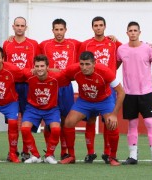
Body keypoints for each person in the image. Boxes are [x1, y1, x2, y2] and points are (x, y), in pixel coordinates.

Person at [60, 51, 125, 166]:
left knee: (112, 123)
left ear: (94, 63)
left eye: (87, 64)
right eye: (82, 64)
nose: (84, 67)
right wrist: (45, 71)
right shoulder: (74, 70)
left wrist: (114, 114)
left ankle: (113, 156)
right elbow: (59, 75)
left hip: (104, 101)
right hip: (85, 101)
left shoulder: (105, 71)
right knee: (68, 122)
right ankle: (71, 156)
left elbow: (121, 92)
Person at [117, 21, 152, 166]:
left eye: (135, 30)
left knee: (149, 122)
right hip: (129, 93)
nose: (132, 33)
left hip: (146, 92)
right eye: (130, 30)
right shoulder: (121, 50)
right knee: (132, 124)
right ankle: (132, 156)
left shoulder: (147, 49)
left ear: (139, 32)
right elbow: (113, 68)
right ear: (127, 33)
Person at [78, 16, 122, 164]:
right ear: (92, 27)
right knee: (90, 119)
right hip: (90, 86)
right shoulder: (85, 44)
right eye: (95, 25)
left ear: (105, 26)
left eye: (100, 25)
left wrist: (148, 45)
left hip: (108, 86)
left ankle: (107, 153)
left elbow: (127, 50)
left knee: (108, 121)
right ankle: (90, 153)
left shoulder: (113, 43)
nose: (98, 27)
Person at [39, 18, 80, 160]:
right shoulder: (44, 45)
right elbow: (35, 61)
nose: (59, 32)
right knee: (49, 120)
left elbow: (93, 46)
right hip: (49, 88)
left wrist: (112, 39)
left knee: (66, 120)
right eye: (56, 29)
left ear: (65, 30)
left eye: (61, 29)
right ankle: (49, 151)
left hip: (66, 87)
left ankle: (65, 151)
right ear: (52, 31)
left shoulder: (74, 44)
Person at [21, 55, 70, 164]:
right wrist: (30, 70)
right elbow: (19, 70)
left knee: (56, 129)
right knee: (24, 129)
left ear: (48, 67)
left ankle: (49, 155)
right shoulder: (29, 75)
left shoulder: (56, 77)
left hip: (51, 109)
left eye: (42, 66)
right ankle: (35, 155)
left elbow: (68, 73)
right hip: (33, 108)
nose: (39, 69)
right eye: (37, 66)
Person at [3, 16, 40, 161]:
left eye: (22, 25)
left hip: (28, 85)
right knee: (12, 119)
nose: (19, 28)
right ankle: (12, 150)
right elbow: (2, 62)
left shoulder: (33, 44)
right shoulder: (7, 43)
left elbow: (40, 62)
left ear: (26, 27)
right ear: (13, 27)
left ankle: (25, 151)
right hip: (11, 85)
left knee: (27, 118)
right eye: (17, 25)